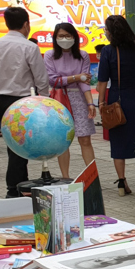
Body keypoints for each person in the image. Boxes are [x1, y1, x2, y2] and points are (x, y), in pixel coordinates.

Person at [0, 7, 50, 198]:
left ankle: (19, 186)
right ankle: (15, 189)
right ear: (26, 24)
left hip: (2, 99)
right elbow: (40, 78)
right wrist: (44, 99)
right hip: (24, 100)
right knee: (21, 147)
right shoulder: (30, 47)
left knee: (14, 146)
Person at [97, 15, 135, 197]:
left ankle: (122, 183)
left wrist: (101, 102)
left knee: (119, 141)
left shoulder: (108, 51)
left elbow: (103, 81)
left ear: (112, 33)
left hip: (116, 100)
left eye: (106, 30)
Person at [44, 23, 97, 179]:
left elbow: (85, 81)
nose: (65, 39)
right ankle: (65, 177)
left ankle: (92, 176)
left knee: (85, 139)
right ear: (55, 38)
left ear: (75, 37)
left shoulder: (82, 55)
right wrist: (76, 77)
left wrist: (90, 103)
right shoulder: (49, 55)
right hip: (60, 99)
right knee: (63, 140)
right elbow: (53, 81)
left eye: (68, 36)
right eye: (61, 36)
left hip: (79, 98)